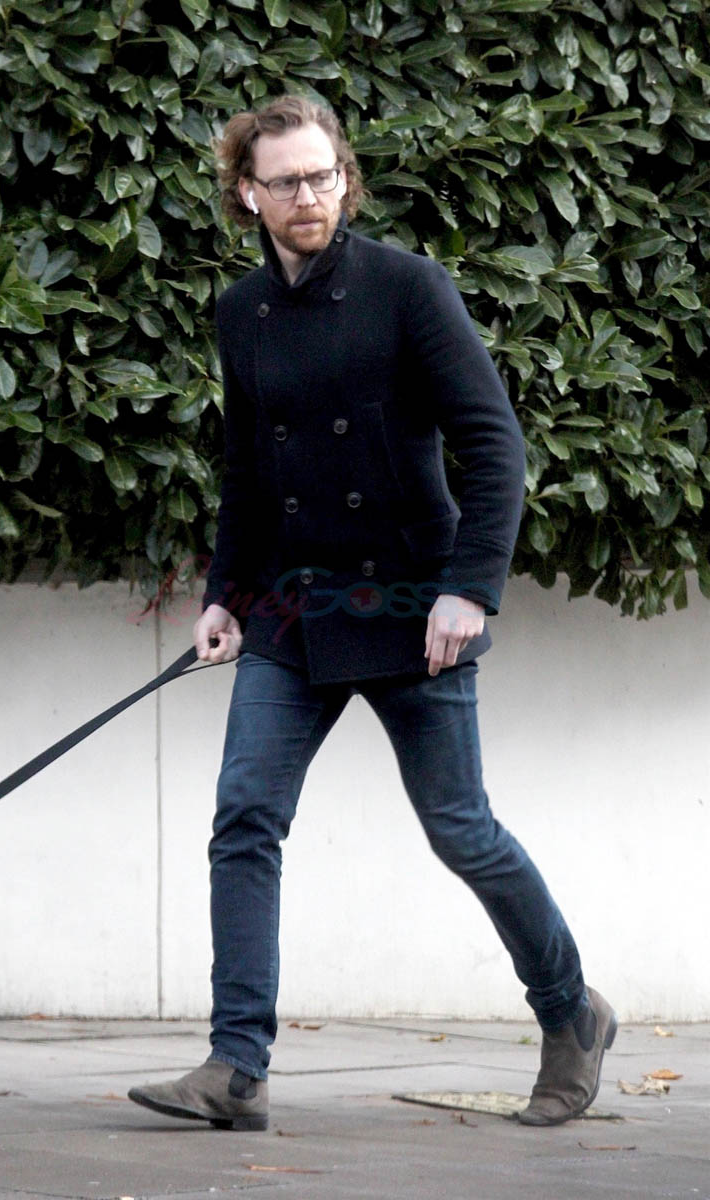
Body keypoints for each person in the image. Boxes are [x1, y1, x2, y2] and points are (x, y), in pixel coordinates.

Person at [127, 94, 615, 1132]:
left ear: (344, 178)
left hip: (410, 607)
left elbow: (495, 444)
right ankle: (236, 1068)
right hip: (292, 612)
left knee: (460, 831)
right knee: (244, 820)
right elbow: (248, 472)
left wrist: (469, 587)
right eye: (286, 181)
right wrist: (224, 598)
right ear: (247, 194)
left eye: (323, 175)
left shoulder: (407, 288)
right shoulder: (240, 313)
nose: (309, 196)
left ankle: (571, 1011)